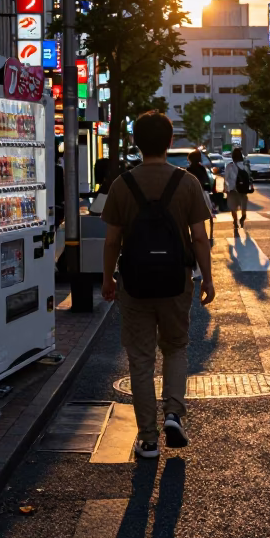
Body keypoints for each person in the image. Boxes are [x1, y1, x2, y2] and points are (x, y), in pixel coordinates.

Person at [101, 111, 214, 459]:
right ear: (169, 142)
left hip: (134, 283)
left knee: (140, 358)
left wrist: (108, 278)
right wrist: (207, 277)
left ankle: (148, 439)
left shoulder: (123, 184)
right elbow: (199, 238)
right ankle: (174, 414)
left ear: (135, 142)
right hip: (175, 281)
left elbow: (111, 240)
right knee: (176, 348)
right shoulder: (188, 183)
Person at [187, 149, 215, 241]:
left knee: (193, 215)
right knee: (209, 213)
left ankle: (192, 233)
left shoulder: (189, 169)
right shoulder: (202, 168)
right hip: (203, 193)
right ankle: (211, 234)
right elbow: (206, 181)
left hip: (192, 194)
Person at [223, 147, 251, 237]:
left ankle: (235, 221)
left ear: (233, 156)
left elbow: (226, 179)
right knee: (243, 204)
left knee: (233, 207)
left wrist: (226, 188)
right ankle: (243, 216)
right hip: (243, 190)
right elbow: (249, 177)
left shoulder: (230, 166)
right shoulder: (245, 166)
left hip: (233, 190)